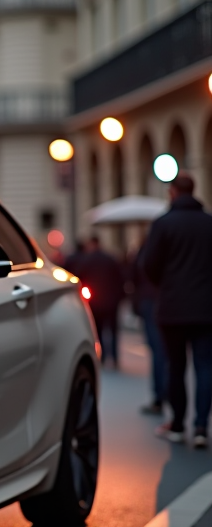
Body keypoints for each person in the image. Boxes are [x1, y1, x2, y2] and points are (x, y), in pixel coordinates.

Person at [142, 173, 212, 448]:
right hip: (207, 308)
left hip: (172, 307)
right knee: (205, 366)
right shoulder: (209, 224)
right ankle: (201, 428)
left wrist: (167, 285)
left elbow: (150, 265)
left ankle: (178, 423)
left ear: (172, 192)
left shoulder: (162, 224)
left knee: (175, 366)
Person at [130, 233, 168, 415]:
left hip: (152, 301)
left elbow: (138, 275)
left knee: (159, 351)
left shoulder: (146, 252)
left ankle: (161, 395)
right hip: (169, 300)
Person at [77, 236, 124, 367]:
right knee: (113, 330)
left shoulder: (87, 260)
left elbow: (80, 277)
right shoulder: (110, 259)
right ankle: (114, 357)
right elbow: (120, 278)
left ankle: (101, 357)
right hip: (112, 300)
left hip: (95, 301)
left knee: (98, 330)